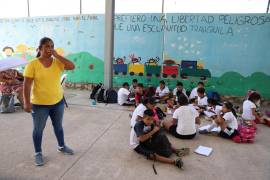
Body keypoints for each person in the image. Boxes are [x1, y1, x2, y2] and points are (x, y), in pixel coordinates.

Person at [23, 37, 75, 166]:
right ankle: (38, 153)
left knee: (58, 126)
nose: (49, 48)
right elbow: (27, 85)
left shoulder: (57, 62)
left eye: (51, 46)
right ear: (39, 48)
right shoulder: (32, 64)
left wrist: (57, 55)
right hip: (39, 105)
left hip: (57, 102)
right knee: (38, 129)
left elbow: (71, 66)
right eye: (46, 46)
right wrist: (26, 102)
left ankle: (62, 146)